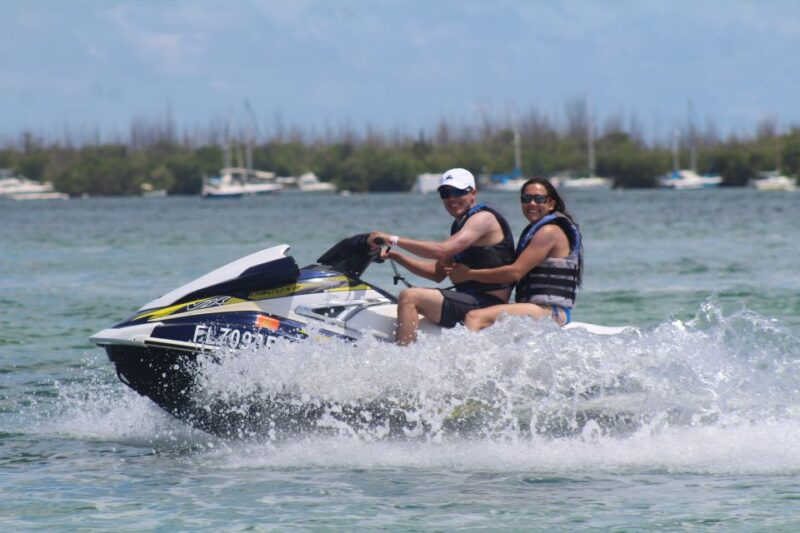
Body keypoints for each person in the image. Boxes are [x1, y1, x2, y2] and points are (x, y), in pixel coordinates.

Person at [368, 168, 515, 345]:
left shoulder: (483, 218)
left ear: (473, 193)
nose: (452, 199)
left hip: (488, 305)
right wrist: (396, 257)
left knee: (410, 296)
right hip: (469, 301)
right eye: (446, 193)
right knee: (412, 295)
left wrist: (392, 239)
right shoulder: (459, 224)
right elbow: (437, 274)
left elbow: (442, 250)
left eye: (458, 192)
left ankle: (402, 360)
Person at [446, 177, 583, 331]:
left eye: (539, 199)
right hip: (533, 308)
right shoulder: (534, 231)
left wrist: (469, 274)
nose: (532, 203)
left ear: (551, 204)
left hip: (550, 312)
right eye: (526, 199)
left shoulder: (549, 232)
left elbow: (515, 273)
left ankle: (468, 356)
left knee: (475, 317)